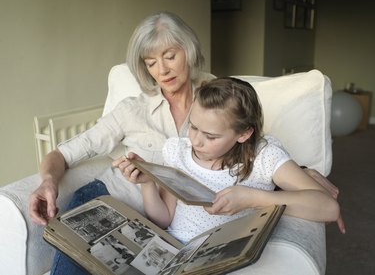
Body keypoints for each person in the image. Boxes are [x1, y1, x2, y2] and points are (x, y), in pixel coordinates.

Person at [28, 10, 343, 274]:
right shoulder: (132, 111)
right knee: (75, 243)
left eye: (169, 56)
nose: (161, 70)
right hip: (116, 199)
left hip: (167, 226)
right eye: (150, 62)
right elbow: (64, 153)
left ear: (188, 52)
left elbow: (245, 142)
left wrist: (299, 171)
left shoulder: (214, 96)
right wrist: (47, 181)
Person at [122, 77, 340, 244]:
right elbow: (163, 219)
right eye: (193, 127)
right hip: (175, 248)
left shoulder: (263, 156)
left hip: (221, 256)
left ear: (243, 134)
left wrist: (252, 198)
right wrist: (148, 184)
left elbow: (328, 208)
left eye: (211, 136)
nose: (196, 141)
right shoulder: (178, 152)